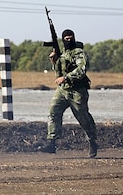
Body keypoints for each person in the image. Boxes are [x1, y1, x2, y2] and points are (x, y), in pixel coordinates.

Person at [40, 29, 98, 158]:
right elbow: (58, 72)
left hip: (77, 91)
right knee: (53, 112)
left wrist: (66, 78)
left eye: (71, 37)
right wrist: (54, 61)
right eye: (66, 38)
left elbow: (81, 69)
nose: (69, 40)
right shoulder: (63, 54)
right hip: (62, 90)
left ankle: (92, 142)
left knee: (83, 117)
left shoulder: (78, 52)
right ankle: (51, 143)